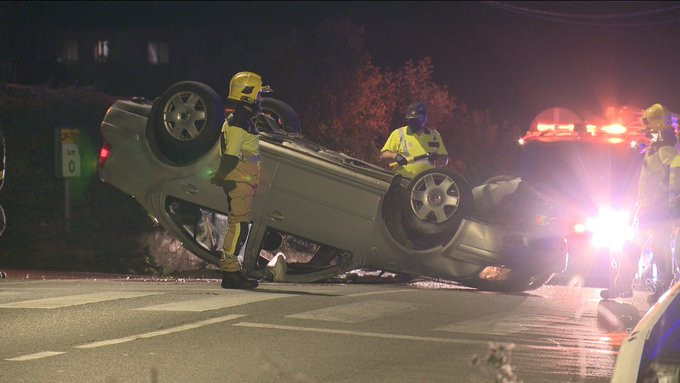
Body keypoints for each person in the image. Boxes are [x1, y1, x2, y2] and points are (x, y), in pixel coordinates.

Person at [601, 103, 678, 301]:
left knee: (659, 251)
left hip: (659, 211)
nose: (646, 127)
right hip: (646, 209)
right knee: (631, 247)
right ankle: (623, 286)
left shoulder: (666, 150)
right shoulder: (656, 148)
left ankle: (662, 290)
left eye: (649, 123)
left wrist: (672, 205)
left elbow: (675, 177)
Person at [210, 71, 270, 290]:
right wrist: (221, 175)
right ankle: (231, 273)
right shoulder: (239, 121)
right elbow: (232, 154)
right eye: (258, 94)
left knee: (239, 224)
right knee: (239, 225)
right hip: (238, 180)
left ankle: (232, 270)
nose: (260, 99)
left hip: (241, 180)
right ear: (248, 94)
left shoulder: (241, 119)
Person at [378, 102, 449, 178]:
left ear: (425, 118)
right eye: (410, 120)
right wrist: (394, 156)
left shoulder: (435, 136)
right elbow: (382, 157)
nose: (412, 122)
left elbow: (445, 160)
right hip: (401, 180)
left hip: (424, 183)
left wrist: (437, 158)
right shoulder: (398, 133)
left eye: (416, 120)